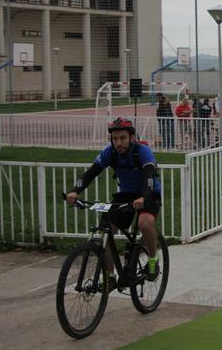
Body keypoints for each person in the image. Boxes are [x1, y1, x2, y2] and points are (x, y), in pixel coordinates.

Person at [66, 117, 163, 284]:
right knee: (106, 229)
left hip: (148, 192)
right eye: (115, 138)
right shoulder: (109, 153)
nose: (119, 143)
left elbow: (149, 176)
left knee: (144, 224)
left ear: (132, 137)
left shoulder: (142, 151)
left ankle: (153, 259)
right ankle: (110, 276)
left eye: (123, 138)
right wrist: (75, 191)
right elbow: (90, 173)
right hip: (126, 194)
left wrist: (144, 197)